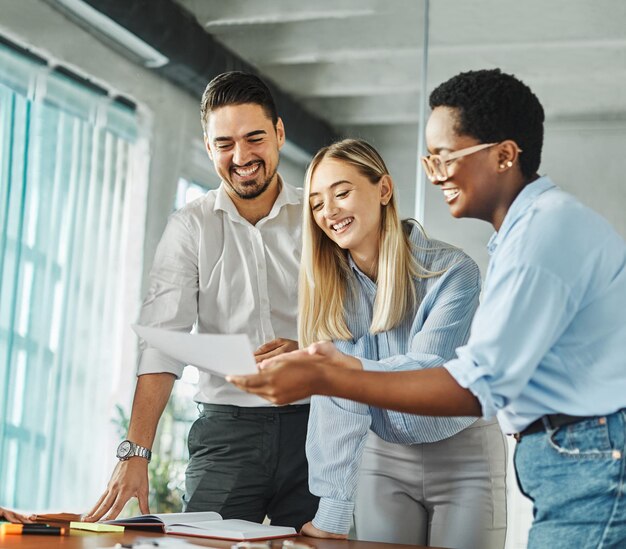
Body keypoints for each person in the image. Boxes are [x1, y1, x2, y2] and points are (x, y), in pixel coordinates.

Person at [229, 69, 626, 548]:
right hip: (567, 460)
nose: (435, 173)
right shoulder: (520, 237)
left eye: (446, 156)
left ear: (504, 156)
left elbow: (475, 385)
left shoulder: (533, 239)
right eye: (429, 158)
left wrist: (327, 375)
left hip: (586, 460)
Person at [85, 71, 318, 529]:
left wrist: (309, 348)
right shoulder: (189, 227)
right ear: (209, 148)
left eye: (254, 138)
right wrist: (135, 453)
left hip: (319, 427)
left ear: (279, 134)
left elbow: (359, 317)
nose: (242, 156)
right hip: (228, 433)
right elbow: (163, 342)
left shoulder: (317, 216)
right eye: (225, 143)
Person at [293, 138, 506, 548]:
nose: (329, 211)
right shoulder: (327, 288)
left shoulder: (453, 271)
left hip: (464, 454)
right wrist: (333, 513)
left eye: (341, 192)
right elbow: (339, 403)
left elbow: (428, 371)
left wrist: (345, 372)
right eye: (317, 203)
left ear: (384, 190)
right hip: (383, 457)